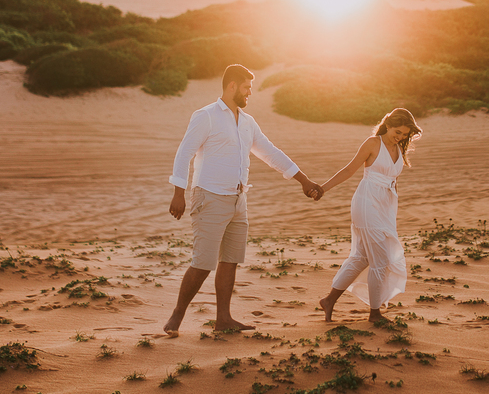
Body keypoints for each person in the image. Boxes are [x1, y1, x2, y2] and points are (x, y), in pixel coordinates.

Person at [165, 64, 323, 335]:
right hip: (209, 197)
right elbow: (184, 153)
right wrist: (178, 192)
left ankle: (223, 319)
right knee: (203, 263)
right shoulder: (207, 116)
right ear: (232, 86)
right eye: (247, 87)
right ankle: (177, 315)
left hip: (239, 200)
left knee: (230, 261)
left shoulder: (248, 122)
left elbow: (271, 153)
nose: (250, 92)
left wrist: (304, 181)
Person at [318, 108, 421, 323]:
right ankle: (375, 314)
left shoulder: (399, 147)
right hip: (367, 203)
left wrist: (392, 210)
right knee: (380, 260)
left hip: (386, 207)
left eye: (404, 134)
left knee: (362, 257)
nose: (400, 137)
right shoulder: (373, 143)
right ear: (388, 124)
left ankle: (329, 301)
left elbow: (394, 179)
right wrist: (322, 189)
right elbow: (349, 170)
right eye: (398, 132)